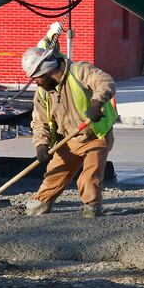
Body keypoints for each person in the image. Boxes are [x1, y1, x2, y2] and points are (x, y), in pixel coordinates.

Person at [20, 47, 118, 218]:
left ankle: (92, 209)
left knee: (89, 179)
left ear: (46, 70)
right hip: (68, 140)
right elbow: (39, 121)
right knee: (54, 173)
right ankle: (42, 203)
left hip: (95, 136)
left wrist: (96, 103)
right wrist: (41, 144)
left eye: (36, 78)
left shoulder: (79, 71)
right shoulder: (42, 94)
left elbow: (104, 81)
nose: (36, 82)